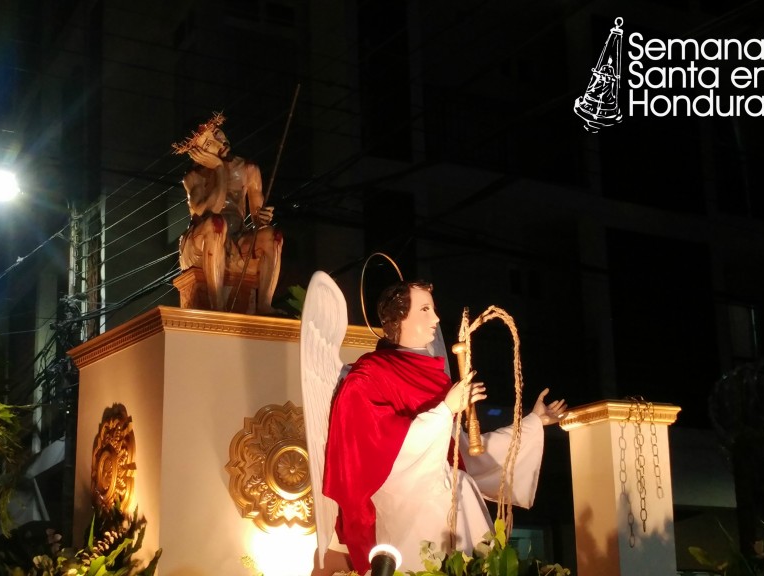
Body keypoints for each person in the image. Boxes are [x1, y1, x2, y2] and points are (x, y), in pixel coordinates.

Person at [319, 281, 568, 574]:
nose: (436, 318)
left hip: (447, 491)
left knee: (461, 487)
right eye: (425, 309)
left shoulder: (433, 376)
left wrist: (533, 422)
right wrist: (446, 409)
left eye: (433, 309)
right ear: (399, 318)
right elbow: (375, 450)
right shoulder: (369, 376)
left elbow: (461, 450)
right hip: (407, 502)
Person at [172, 113, 283, 314]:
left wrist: (263, 216)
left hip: (237, 237)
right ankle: (218, 306)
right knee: (216, 223)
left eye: (216, 133)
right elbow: (210, 211)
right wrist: (219, 170)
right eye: (207, 145)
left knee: (271, 236)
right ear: (198, 153)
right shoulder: (194, 177)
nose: (218, 142)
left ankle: (265, 304)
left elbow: (257, 217)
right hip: (202, 240)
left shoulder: (249, 169)